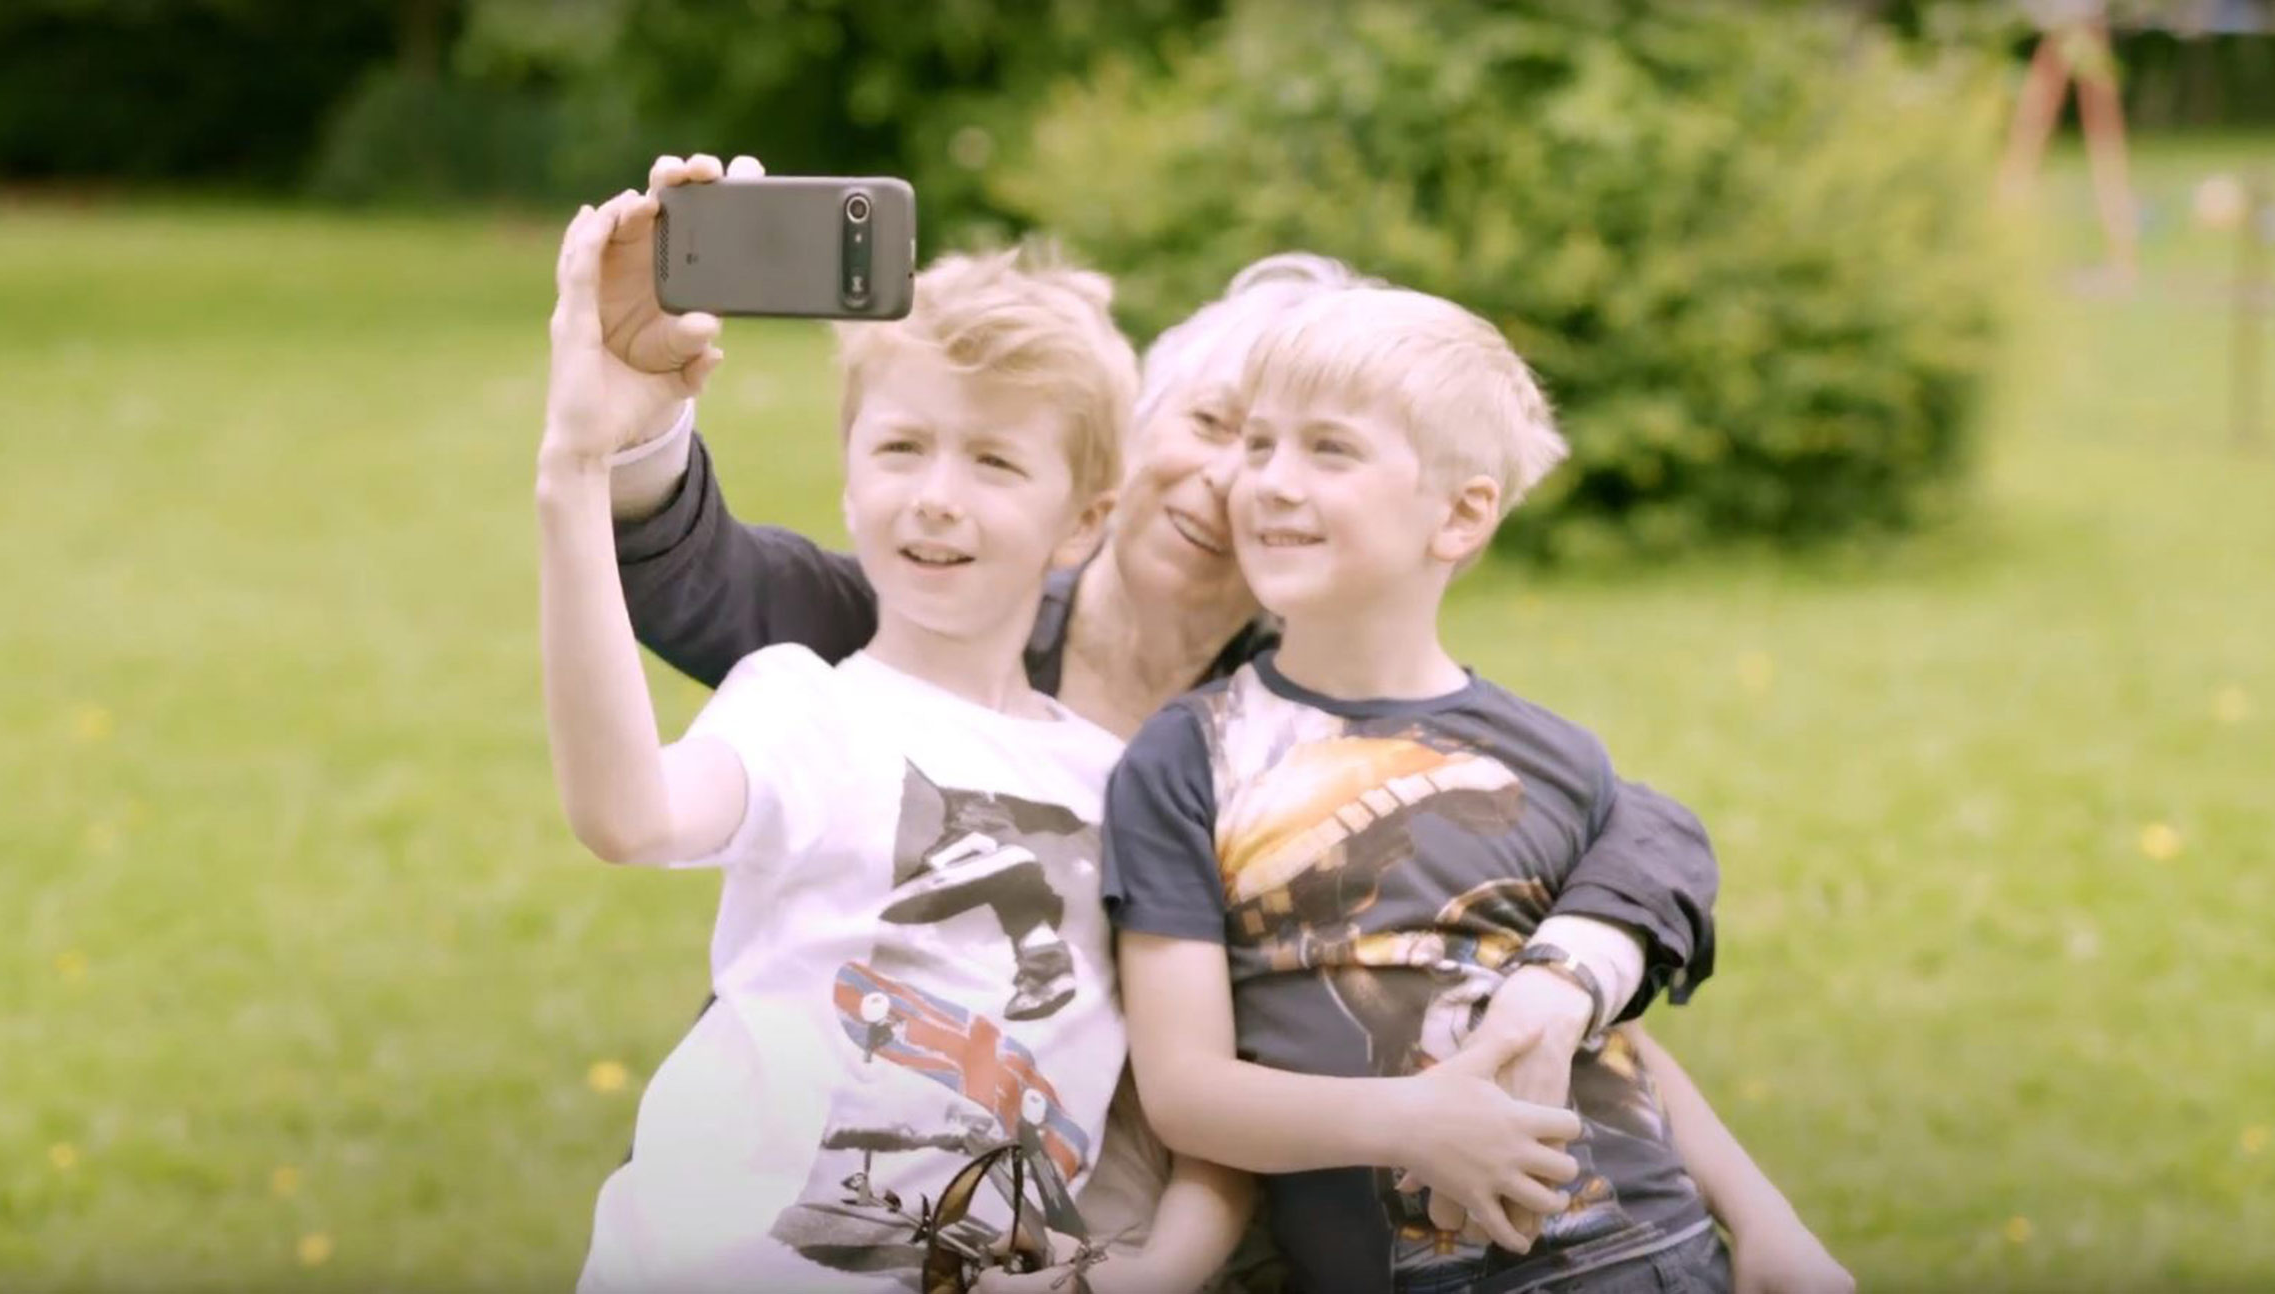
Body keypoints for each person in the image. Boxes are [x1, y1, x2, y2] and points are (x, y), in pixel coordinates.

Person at [586, 153, 1848, 1293]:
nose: (1235, 476)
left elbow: (1624, 841)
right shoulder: (941, 607)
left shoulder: (1290, 730)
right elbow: (697, 571)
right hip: (831, 1182)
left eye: (1290, 447)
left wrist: (1582, 978)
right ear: (1123, 446)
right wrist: (631, 418)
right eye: (1210, 425)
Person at [1101, 283, 1837, 1293]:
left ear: (1459, 514)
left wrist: (1765, 1223)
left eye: (1328, 449)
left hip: (1645, 1252)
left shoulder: (1553, 758)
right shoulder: (1185, 757)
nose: (1266, 480)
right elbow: (1185, 1091)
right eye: (1259, 444)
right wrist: (1413, 1123)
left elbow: (1605, 1030)